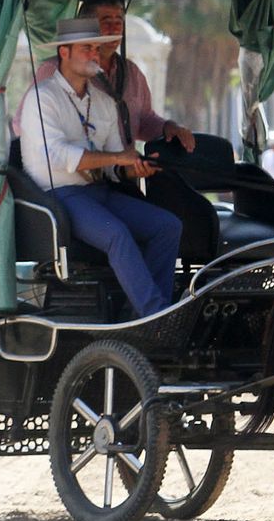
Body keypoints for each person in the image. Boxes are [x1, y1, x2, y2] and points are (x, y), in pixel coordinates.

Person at [17, 17, 182, 319]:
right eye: (86, 48)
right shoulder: (42, 98)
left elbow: (114, 166)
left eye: (97, 48)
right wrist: (120, 158)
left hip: (99, 193)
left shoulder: (103, 102)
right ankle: (158, 316)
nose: (95, 54)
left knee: (168, 226)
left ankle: (141, 314)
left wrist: (136, 168)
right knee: (117, 235)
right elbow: (62, 154)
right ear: (64, 53)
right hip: (60, 197)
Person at [14, 0, 196, 153]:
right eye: (106, 22)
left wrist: (168, 127)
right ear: (89, 27)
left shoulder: (132, 72)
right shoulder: (55, 70)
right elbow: (23, 125)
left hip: (121, 176)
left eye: (119, 22)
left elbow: (144, 119)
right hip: (70, 180)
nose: (114, 29)